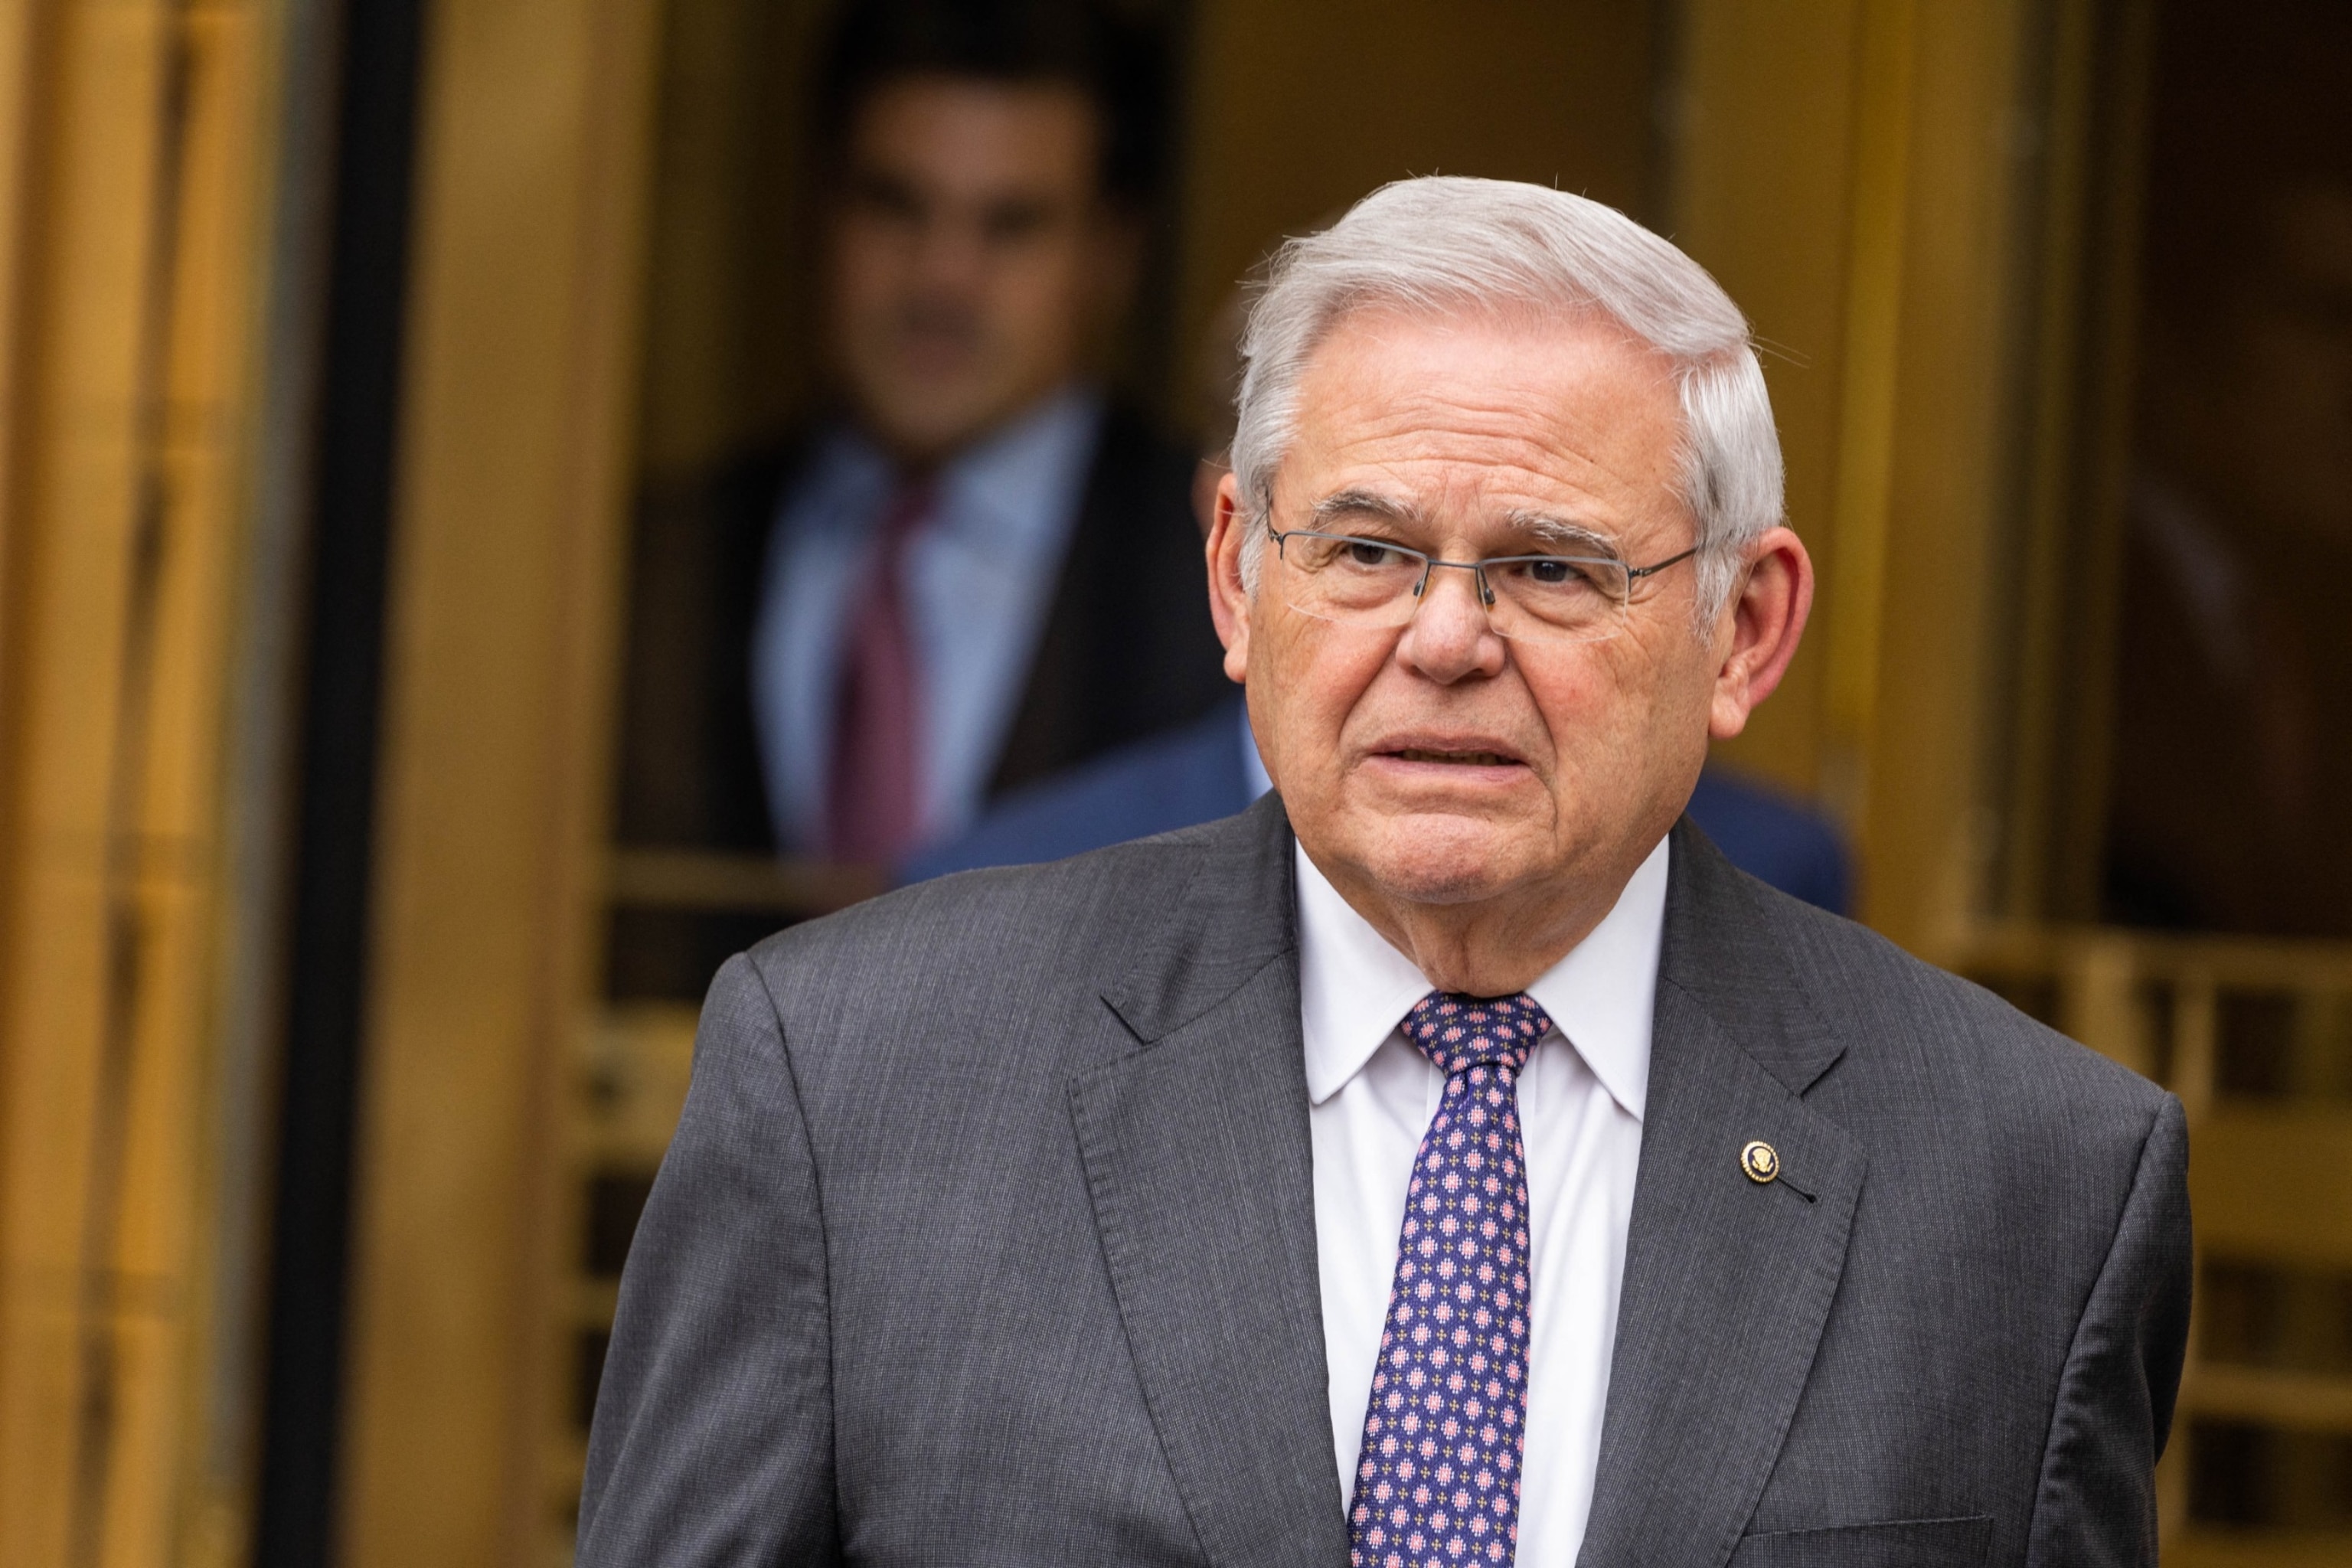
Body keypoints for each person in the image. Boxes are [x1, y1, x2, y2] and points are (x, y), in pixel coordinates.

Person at [579, 179, 2190, 1566]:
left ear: (1744, 629)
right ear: (1234, 576)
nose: (1442, 641)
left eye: (1550, 568)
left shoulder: (2033, 1188)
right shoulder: (857, 1082)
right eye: (1365, 552)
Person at [609, 0, 1227, 867]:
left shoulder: (1227, 575)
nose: (942, 279)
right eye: (894, 206)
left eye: (1011, 224)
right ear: (817, 210)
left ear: (1112, 254)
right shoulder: (643, 569)